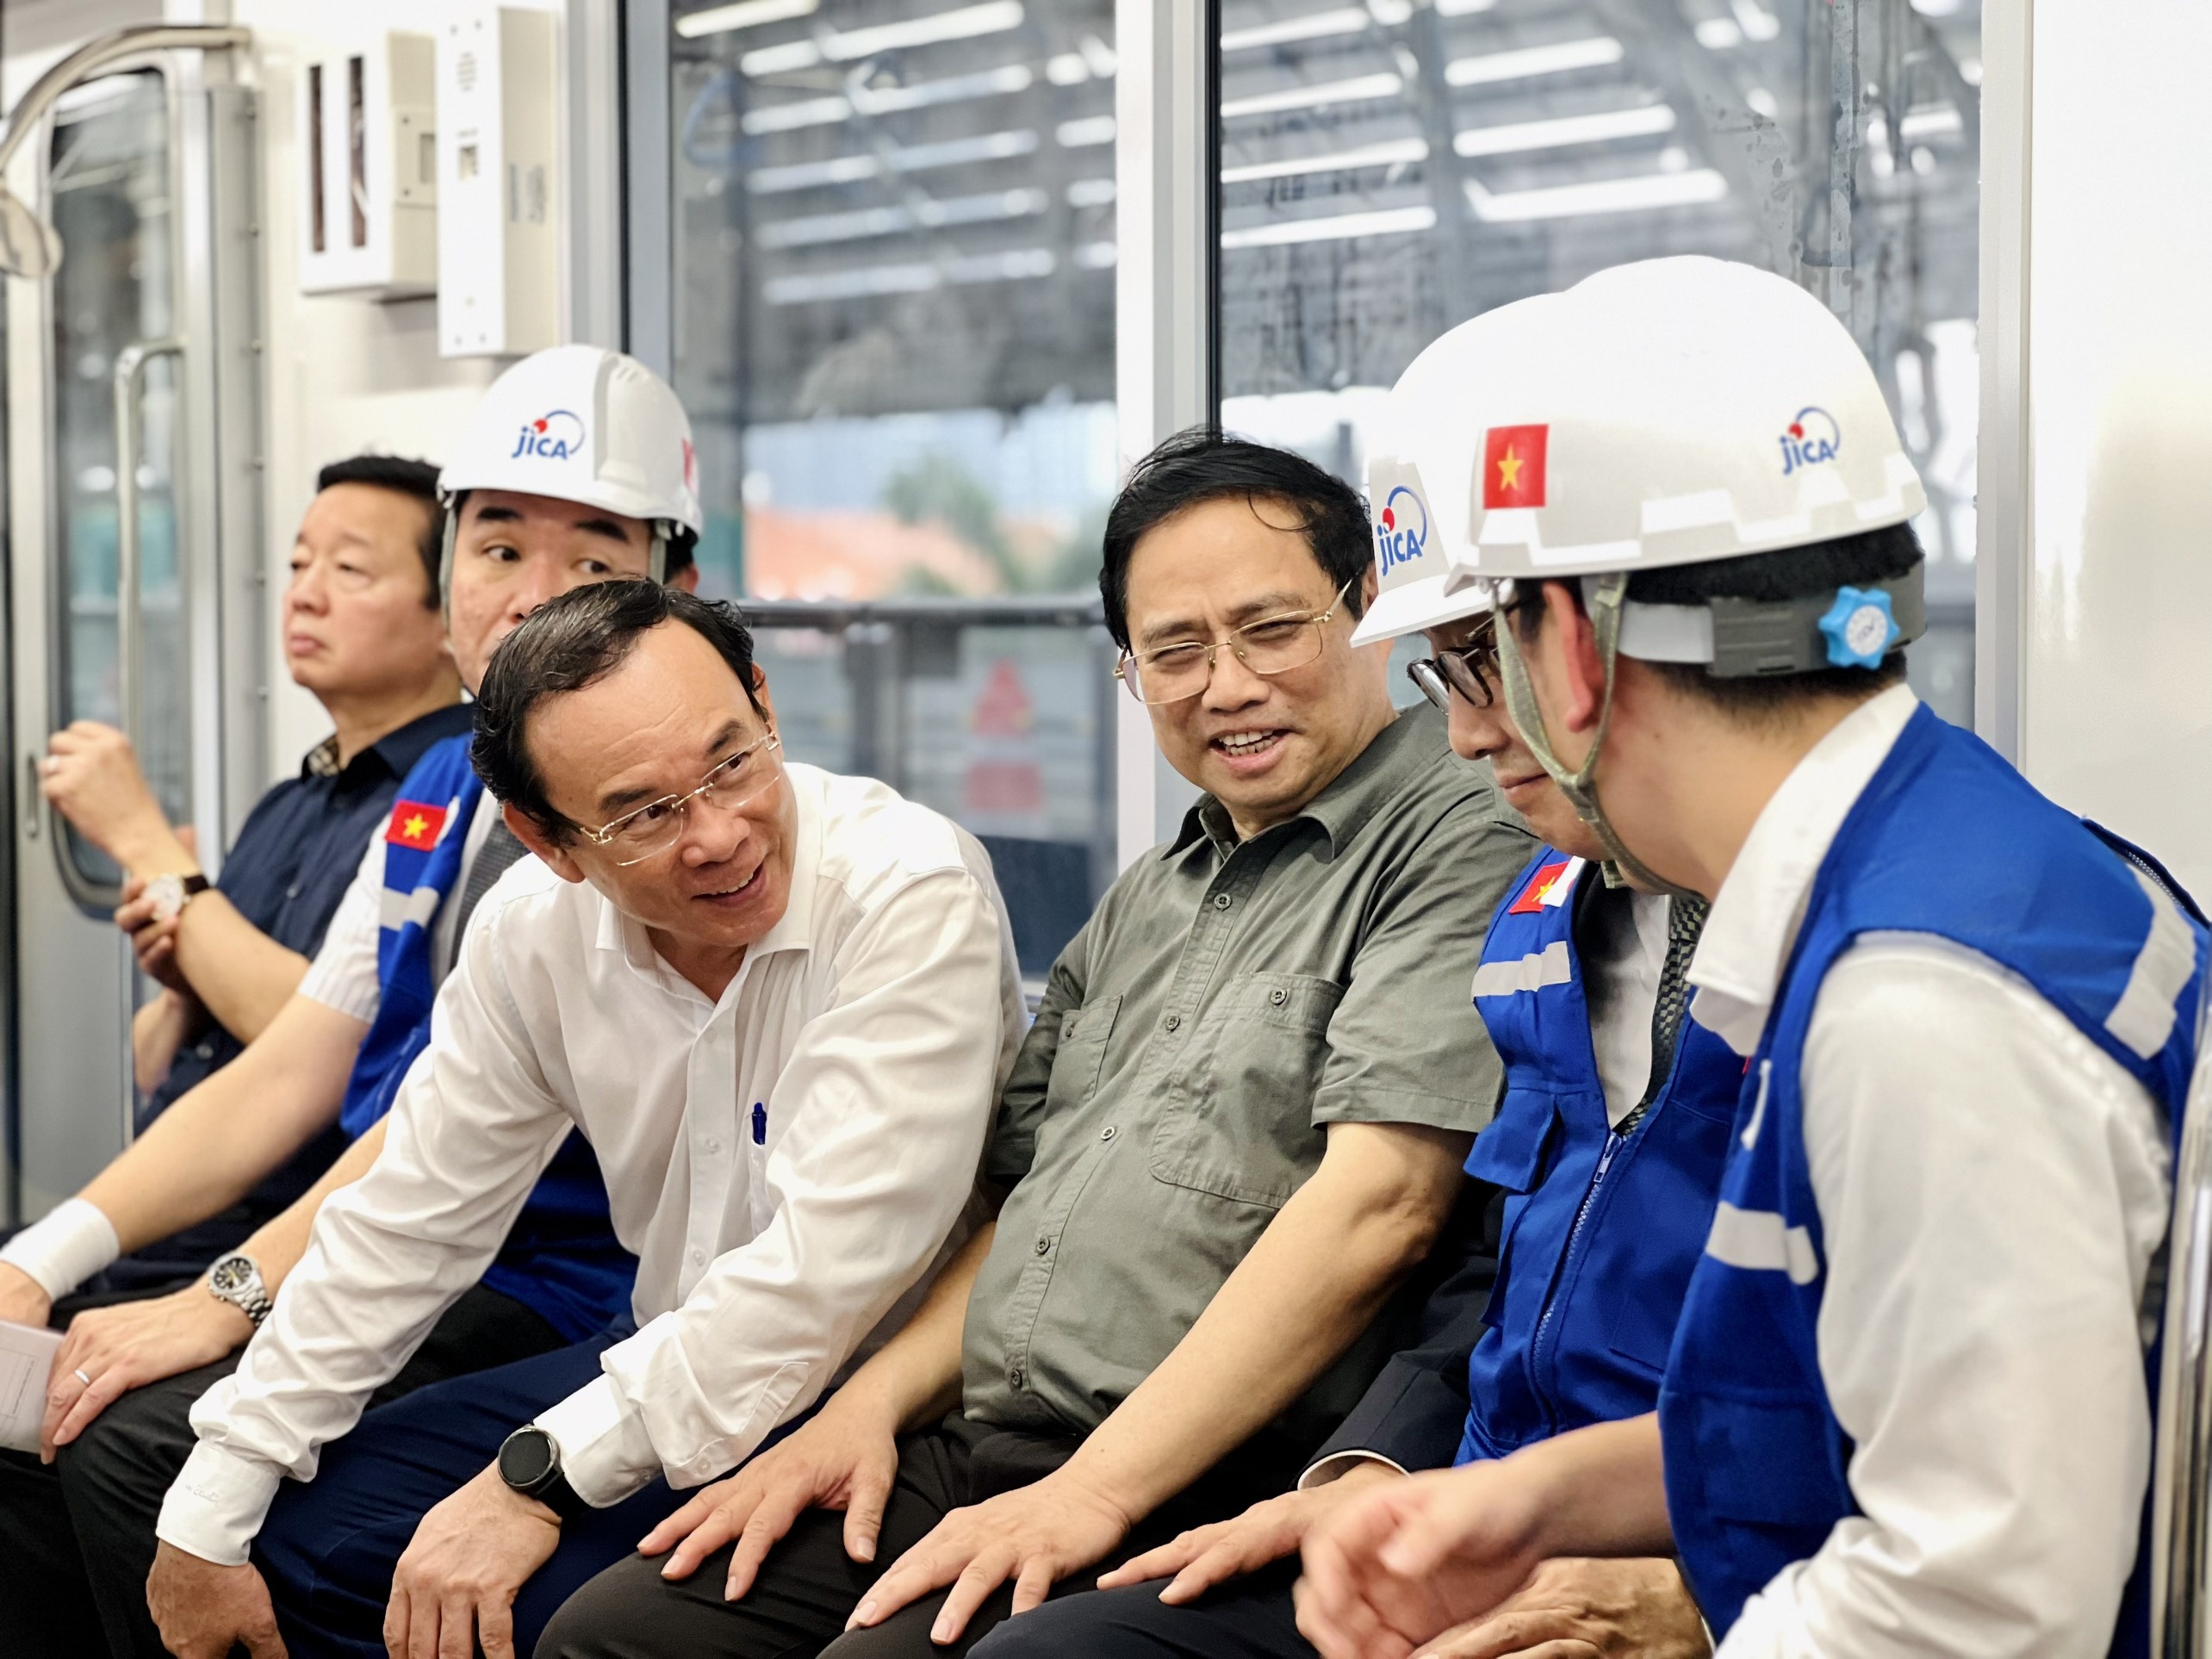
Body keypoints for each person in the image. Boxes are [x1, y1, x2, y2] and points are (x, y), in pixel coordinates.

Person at [1292, 256, 2209, 1659]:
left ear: (1570, 645)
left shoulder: (1912, 1002)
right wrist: (1534, 1497)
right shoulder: (1936, 864)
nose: (1469, 730)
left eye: (1473, 662)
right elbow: (1841, 1407)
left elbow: (1975, 1611)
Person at [532, 430, 1538, 1659]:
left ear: (1366, 604)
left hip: (1199, 1461)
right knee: (617, 1633)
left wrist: (1090, 1492)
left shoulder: (1459, 830)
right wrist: (863, 1409)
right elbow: (1022, 1204)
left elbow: (1386, 1205)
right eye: (1174, 649)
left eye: (1271, 628)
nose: (1226, 684)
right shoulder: (1159, 889)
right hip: (985, 1432)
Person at [145, 580, 1024, 1659]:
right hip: (658, 1349)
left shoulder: (905, 887)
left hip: (881, 1389)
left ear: (764, 703)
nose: (718, 834)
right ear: (547, 839)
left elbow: (823, 1277)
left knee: (533, 1607)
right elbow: (412, 1219)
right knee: (286, 1534)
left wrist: (539, 1478)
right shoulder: (529, 931)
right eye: (646, 812)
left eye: (732, 761)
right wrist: (215, 1500)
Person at [961, 434, 1726, 1659]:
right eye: (1456, 673)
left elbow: (1919, 1423)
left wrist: (1704, 1590)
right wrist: (1381, 1467)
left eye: (1492, 663)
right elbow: (1501, 1263)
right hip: (1487, 1484)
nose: (1472, 736)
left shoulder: (1889, 947)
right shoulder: (1565, 908)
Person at [0, 345, 701, 1659]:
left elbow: (453, 1138)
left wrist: (234, 1292)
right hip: (390, 1237)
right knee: (28, 1396)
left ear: (681, 587)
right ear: (451, 576)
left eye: (596, 560)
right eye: (499, 549)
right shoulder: (441, 782)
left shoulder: (654, 807)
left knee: (135, 1444)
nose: (536, 595)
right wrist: (41, 1257)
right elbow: (294, 1069)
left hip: (540, 1276)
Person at [32, 454, 468, 1283]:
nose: (304, 593)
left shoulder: (450, 803)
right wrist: (185, 985)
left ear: (450, 615)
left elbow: (332, 1049)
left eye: (349, 569)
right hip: (158, 1224)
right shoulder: (289, 802)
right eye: (299, 564)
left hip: (278, 1253)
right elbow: (155, 1060)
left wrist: (145, 841)